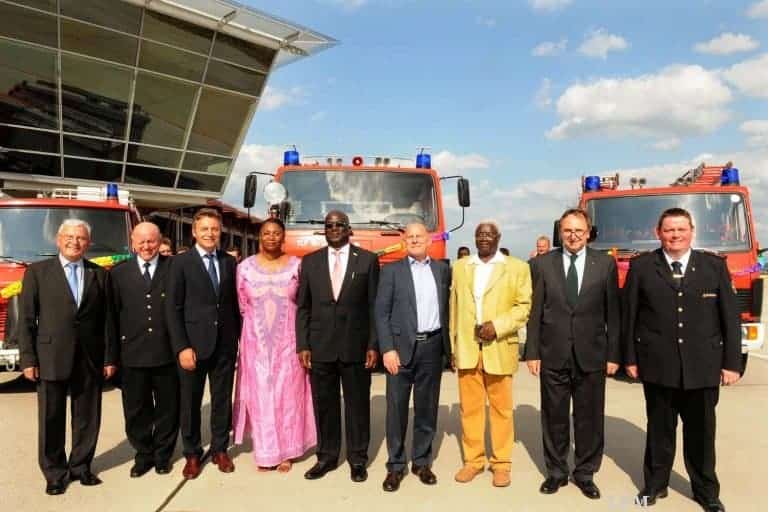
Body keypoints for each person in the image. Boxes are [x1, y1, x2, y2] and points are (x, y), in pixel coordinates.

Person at [623, 208, 740, 512]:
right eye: (669, 230)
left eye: (681, 229)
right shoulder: (642, 267)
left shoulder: (713, 266)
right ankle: (654, 485)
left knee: (701, 434)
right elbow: (630, 317)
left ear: (692, 231)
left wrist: (731, 363)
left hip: (703, 366)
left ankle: (706, 492)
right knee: (659, 431)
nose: (675, 235)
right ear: (657, 232)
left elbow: (730, 318)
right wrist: (630, 359)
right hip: (658, 366)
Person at [525, 208, 620, 499]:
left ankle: (585, 472)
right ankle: (556, 472)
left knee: (589, 417)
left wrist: (613, 354)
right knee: (554, 416)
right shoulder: (541, 264)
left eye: (579, 230)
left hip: (591, 353)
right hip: (553, 352)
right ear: (560, 233)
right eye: (568, 230)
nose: (573, 235)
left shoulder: (604, 264)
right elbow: (535, 311)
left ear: (588, 232)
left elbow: (613, 314)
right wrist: (532, 351)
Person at [18, 219, 118, 495]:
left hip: (90, 357)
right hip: (50, 355)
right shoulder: (38, 272)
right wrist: (28, 359)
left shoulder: (100, 275)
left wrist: (110, 358)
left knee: (87, 417)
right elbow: (27, 319)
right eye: (70, 237)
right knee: (51, 417)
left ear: (89, 243)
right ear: (58, 239)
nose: (75, 242)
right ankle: (54, 473)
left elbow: (108, 320)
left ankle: (81, 467)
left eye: (82, 238)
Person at [296, 210, 380, 483]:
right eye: (329, 225)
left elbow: (373, 307)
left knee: (357, 405)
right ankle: (327, 457)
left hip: (356, 347)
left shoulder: (367, 261)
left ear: (348, 229)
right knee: (325, 405)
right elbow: (303, 308)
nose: (334, 228)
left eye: (339, 225)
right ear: (325, 230)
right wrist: (303, 344)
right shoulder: (309, 262)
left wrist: (373, 344)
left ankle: (357, 459)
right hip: (320, 347)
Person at [450, 220, 532, 487]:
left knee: (501, 411)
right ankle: (473, 461)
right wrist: (454, 346)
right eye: (479, 234)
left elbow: (523, 308)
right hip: (468, 349)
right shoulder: (461, 267)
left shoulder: (517, 268)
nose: (484, 238)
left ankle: (501, 464)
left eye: (489, 234)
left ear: (498, 237)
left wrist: (496, 327)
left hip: (499, 348)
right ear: (475, 239)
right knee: (470, 410)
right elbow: (455, 308)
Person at [232, 218, 316, 472]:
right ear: (260, 237)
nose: (271, 237)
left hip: (289, 345)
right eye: (266, 233)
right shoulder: (245, 268)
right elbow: (242, 305)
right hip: (255, 345)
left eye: (276, 233)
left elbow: (304, 306)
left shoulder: (297, 267)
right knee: (261, 397)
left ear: (283, 237)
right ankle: (266, 452)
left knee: (287, 396)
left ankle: (287, 451)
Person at [375, 222, 451, 492]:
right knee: (396, 410)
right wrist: (387, 349)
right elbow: (381, 313)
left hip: (432, 347)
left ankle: (421, 462)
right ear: (404, 241)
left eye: (420, 236)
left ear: (429, 240)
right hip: (400, 350)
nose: (415, 240)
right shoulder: (393, 271)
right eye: (411, 237)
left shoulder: (442, 270)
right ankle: (395, 466)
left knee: (426, 408)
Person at [167, 208, 241, 479]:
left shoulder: (229, 262)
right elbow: (172, 309)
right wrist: (181, 347)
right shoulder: (180, 263)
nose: (210, 234)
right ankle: (192, 453)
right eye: (205, 229)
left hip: (224, 345)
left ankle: (220, 449)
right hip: (193, 347)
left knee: (222, 400)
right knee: (190, 403)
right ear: (194, 232)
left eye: (215, 229)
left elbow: (234, 305)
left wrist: (240, 340)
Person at [110, 222, 178, 478]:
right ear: (132, 242)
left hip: (166, 352)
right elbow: (112, 317)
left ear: (160, 241)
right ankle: (143, 455)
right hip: (132, 354)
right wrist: (113, 355)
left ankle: (163, 455)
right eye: (142, 241)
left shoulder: (174, 268)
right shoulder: (118, 273)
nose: (147, 246)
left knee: (168, 409)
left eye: (152, 241)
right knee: (136, 411)